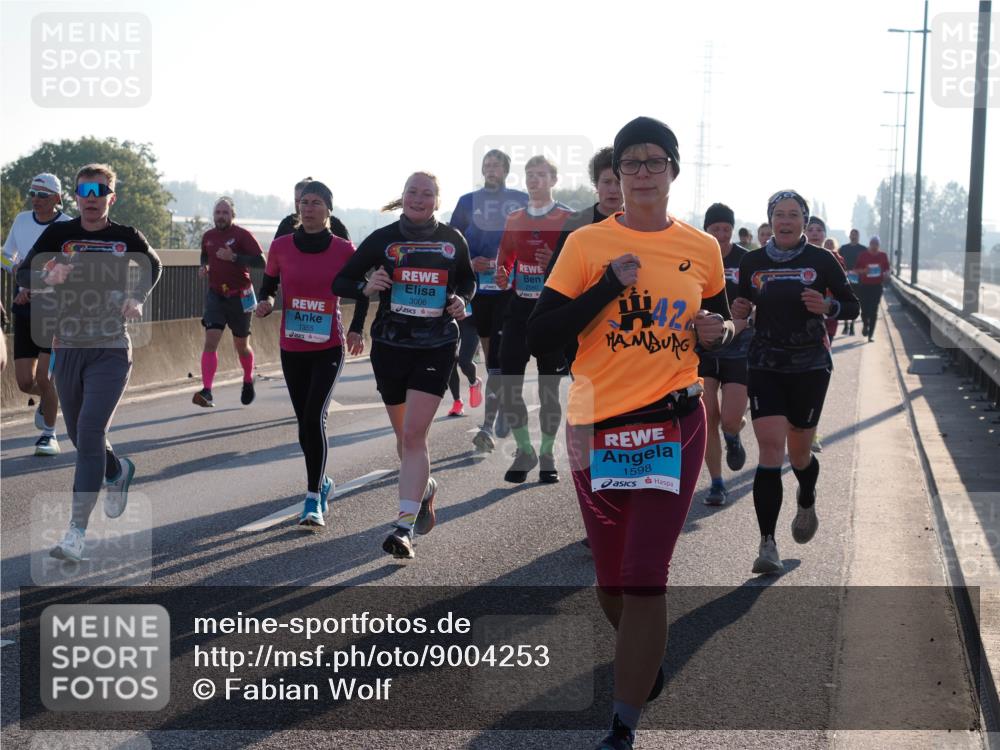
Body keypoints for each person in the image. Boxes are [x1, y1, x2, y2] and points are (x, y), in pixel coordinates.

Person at [529, 117, 733, 750]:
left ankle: (622, 723)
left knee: (647, 575)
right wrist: (606, 287)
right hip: (596, 427)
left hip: (673, 423)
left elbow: (717, 321)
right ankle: (641, 662)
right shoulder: (587, 244)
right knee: (613, 584)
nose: (643, 172)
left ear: (673, 170)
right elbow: (542, 333)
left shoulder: (702, 248)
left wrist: (717, 333)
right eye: (631, 163)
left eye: (655, 160)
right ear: (616, 175)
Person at [18, 164, 163, 562]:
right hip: (66, 346)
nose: (93, 196)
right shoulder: (59, 234)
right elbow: (23, 273)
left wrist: (137, 297)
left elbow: (154, 265)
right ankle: (116, 471)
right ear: (77, 196)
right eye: (85, 190)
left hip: (110, 348)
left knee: (89, 429)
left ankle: (75, 533)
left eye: (101, 190)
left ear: (111, 197)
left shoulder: (125, 236)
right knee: (84, 439)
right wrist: (50, 276)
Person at [333, 172, 475, 559]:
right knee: (404, 438)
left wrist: (463, 300)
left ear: (436, 200)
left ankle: (403, 528)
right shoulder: (383, 239)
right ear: (403, 197)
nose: (418, 198)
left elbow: (468, 282)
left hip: (438, 344)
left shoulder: (451, 240)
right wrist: (367, 285)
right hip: (392, 346)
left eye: (426, 193)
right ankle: (425, 488)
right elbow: (340, 282)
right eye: (412, 192)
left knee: (414, 435)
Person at [731, 190, 858, 576]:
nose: (785, 221)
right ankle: (767, 545)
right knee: (770, 449)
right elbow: (740, 305)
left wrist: (829, 306)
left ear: (805, 220)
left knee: (799, 453)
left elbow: (852, 304)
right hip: (765, 362)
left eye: (793, 215)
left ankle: (806, 495)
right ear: (770, 219)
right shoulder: (752, 262)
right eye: (779, 215)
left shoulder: (821, 260)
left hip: (810, 364)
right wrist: (738, 310)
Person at [255, 181, 366, 529]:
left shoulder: (344, 249)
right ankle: (324, 480)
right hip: (292, 345)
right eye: (304, 202)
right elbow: (269, 284)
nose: (308, 208)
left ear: (328, 209)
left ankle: (313, 497)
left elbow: (363, 292)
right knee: (304, 423)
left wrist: (357, 328)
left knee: (315, 415)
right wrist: (267, 301)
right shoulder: (281, 246)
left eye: (316, 202)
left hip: (328, 345)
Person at [495, 155, 574, 484]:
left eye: (541, 175)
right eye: (529, 174)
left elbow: (580, 269)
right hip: (519, 308)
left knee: (549, 389)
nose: (534, 180)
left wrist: (553, 264)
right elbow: (507, 259)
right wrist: (502, 274)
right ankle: (524, 449)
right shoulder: (514, 218)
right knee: (508, 382)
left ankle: (546, 454)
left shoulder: (569, 219)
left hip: (552, 312)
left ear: (553, 180)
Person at [449, 150, 528, 452]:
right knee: (492, 357)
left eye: (497, 165)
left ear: (506, 170)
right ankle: (504, 407)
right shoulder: (468, 202)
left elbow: (534, 237)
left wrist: (510, 264)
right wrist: (471, 261)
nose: (491, 169)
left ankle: (488, 426)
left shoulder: (520, 200)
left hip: (511, 290)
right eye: (487, 165)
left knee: (499, 359)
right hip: (478, 292)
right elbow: (452, 244)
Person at [1, 173, 73, 456]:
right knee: (24, 382)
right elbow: (5, 255)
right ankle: (54, 399)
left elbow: (71, 267)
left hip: (55, 308)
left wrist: (39, 282)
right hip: (24, 305)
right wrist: (15, 267)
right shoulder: (21, 220)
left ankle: (49, 435)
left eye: (42, 195)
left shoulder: (68, 225)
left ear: (57, 198)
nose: (35, 199)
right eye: (32, 193)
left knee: (44, 376)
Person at [546, 146, 624, 371]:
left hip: (629, 326)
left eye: (618, 182)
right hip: (582, 327)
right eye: (606, 182)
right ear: (595, 185)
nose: (613, 189)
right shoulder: (577, 224)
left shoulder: (642, 225)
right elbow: (554, 277)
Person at [699, 203, 752, 506]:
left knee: (730, 419)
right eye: (715, 228)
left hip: (738, 347)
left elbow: (760, 298)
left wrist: (748, 314)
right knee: (708, 418)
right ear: (706, 230)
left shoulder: (746, 260)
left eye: (725, 228)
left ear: (732, 229)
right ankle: (717, 483)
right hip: (704, 347)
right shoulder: (695, 256)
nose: (720, 233)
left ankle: (733, 436)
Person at [193, 197, 265, 408]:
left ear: (232, 215)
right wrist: (204, 267)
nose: (221, 216)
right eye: (218, 212)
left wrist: (234, 257)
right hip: (216, 296)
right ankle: (207, 391)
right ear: (213, 215)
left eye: (225, 212)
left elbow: (261, 262)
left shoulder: (243, 236)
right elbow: (205, 256)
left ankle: (248, 378)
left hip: (240, 296)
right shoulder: (208, 236)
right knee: (210, 340)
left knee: (241, 346)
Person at [274, 176, 350, 241]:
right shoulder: (287, 224)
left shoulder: (336, 226)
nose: (307, 207)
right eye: (297, 201)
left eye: (314, 202)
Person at [854, 235, 891, 342]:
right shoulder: (863, 255)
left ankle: (871, 335)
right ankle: (866, 324)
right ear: (869, 245)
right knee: (864, 310)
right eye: (872, 244)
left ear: (879, 245)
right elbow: (856, 270)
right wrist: (864, 271)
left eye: (876, 244)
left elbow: (887, 269)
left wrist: (886, 274)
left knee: (874, 310)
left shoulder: (883, 256)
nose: (874, 246)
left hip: (877, 286)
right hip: (865, 286)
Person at [445, 308, 480, 416]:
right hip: (449, 320)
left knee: (464, 362)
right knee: (449, 362)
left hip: (471, 320)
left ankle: (474, 382)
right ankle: (457, 401)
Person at [839, 229, 867, 335]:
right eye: (852, 234)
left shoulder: (863, 249)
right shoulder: (843, 248)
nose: (853, 236)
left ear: (858, 236)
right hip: (845, 278)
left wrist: (860, 271)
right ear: (849, 236)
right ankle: (846, 324)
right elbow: (838, 261)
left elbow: (866, 265)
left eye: (856, 235)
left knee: (855, 302)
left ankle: (852, 325)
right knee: (845, 300)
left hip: (858, 280)